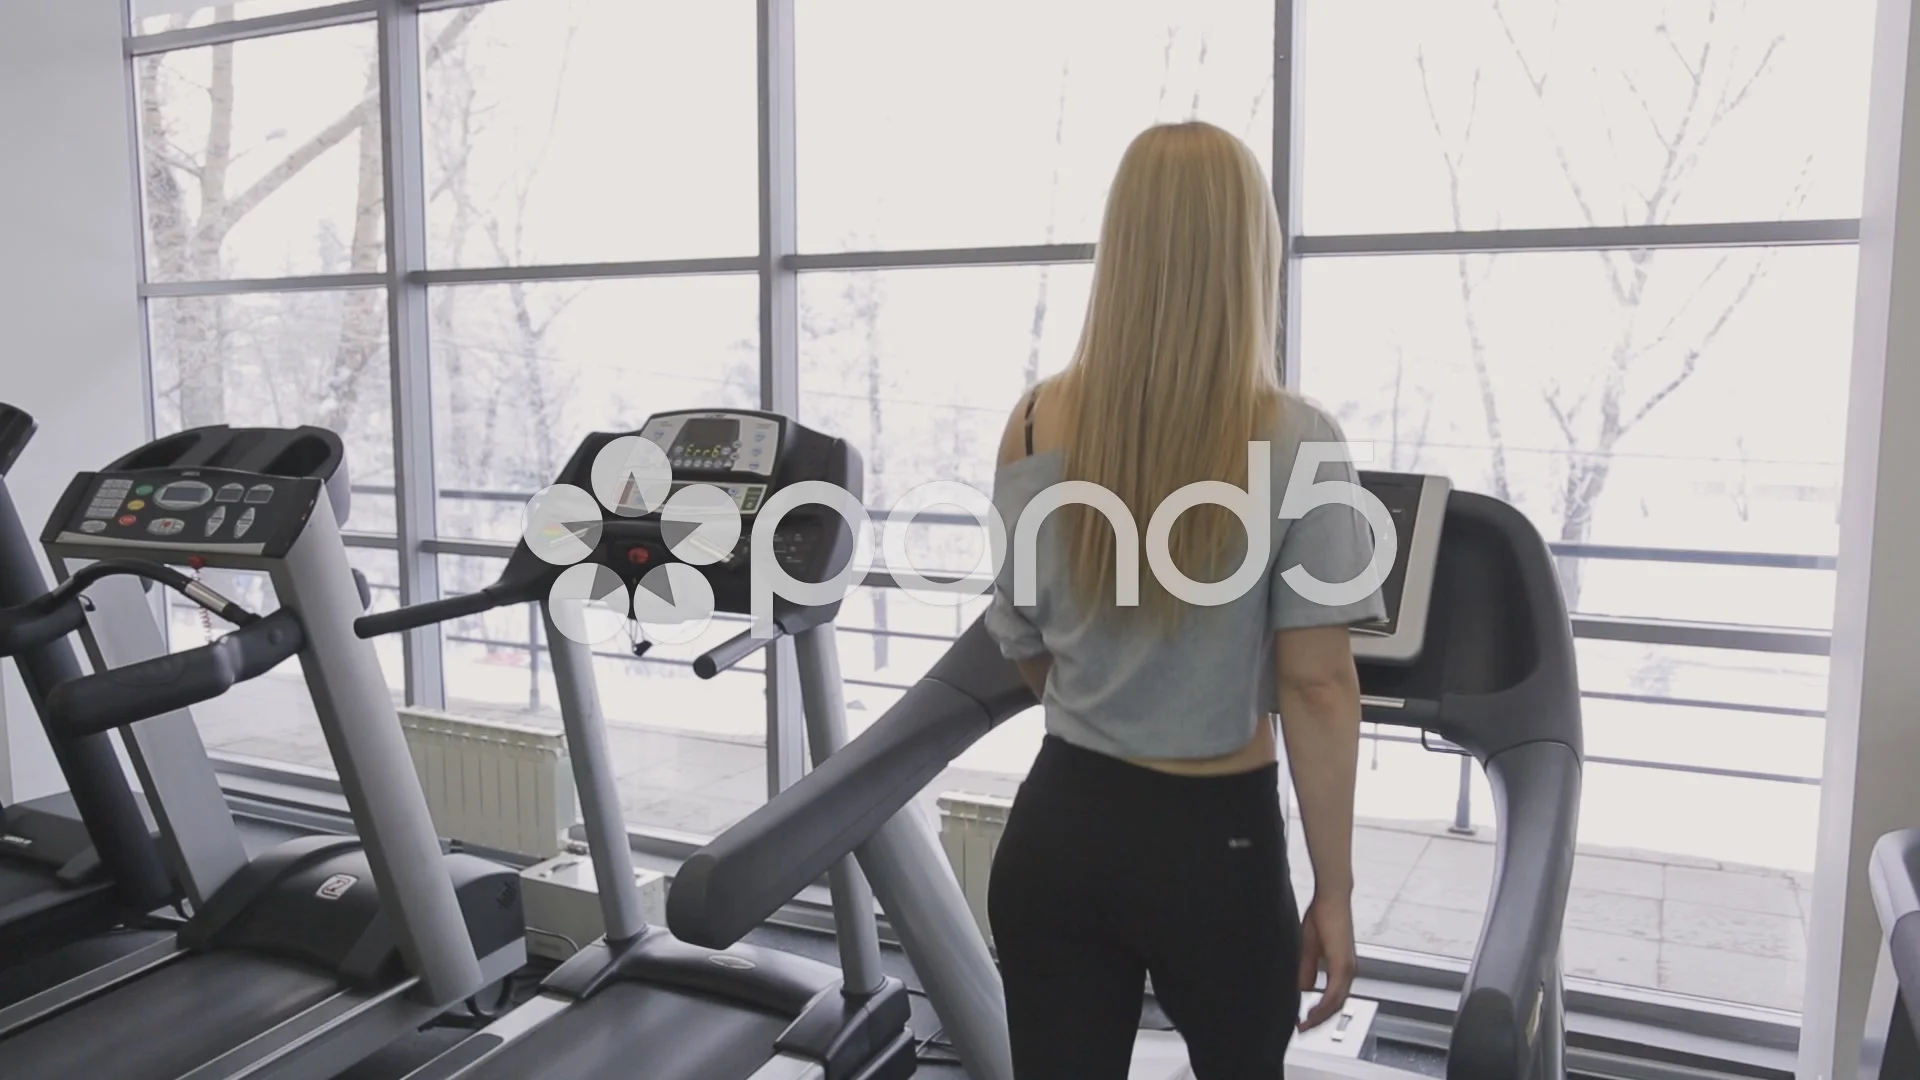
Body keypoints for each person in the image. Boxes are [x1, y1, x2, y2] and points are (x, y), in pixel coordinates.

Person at [984, 120, 1382, 1079]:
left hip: (1062, 827)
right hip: (1219, 847)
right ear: (1253, 253)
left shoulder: (1036, 418)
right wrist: (1334, 889)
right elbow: (1319, 687)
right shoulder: (1301, 441)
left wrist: (1113, 708)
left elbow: (1020, 632)